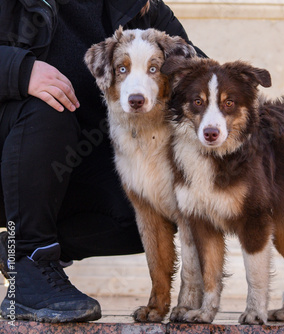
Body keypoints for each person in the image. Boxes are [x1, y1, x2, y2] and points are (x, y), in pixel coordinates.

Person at [0, 0, 205, 323]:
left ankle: (23, 251)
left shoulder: (140, 7)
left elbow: (197, 73)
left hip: (77, 161)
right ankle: (31, 259)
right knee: (50, 109)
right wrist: (19, 70)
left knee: (145, 207)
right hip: (12, 152)